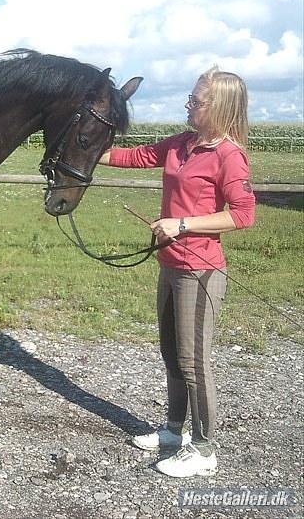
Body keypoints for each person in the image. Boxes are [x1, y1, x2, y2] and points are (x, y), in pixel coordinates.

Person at [98, 66, 256, 478]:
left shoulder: (228, 156)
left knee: (194, 361)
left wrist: (182, 224)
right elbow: (136, 156)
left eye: (196, 101)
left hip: (200, 271)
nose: (188, 105)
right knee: (171, 353)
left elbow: (242, 215)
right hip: (169, 266)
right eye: (190, 97)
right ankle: (173, 432)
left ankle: (204, 450)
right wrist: (85, 149)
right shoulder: (181, 144)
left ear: (218, 107)